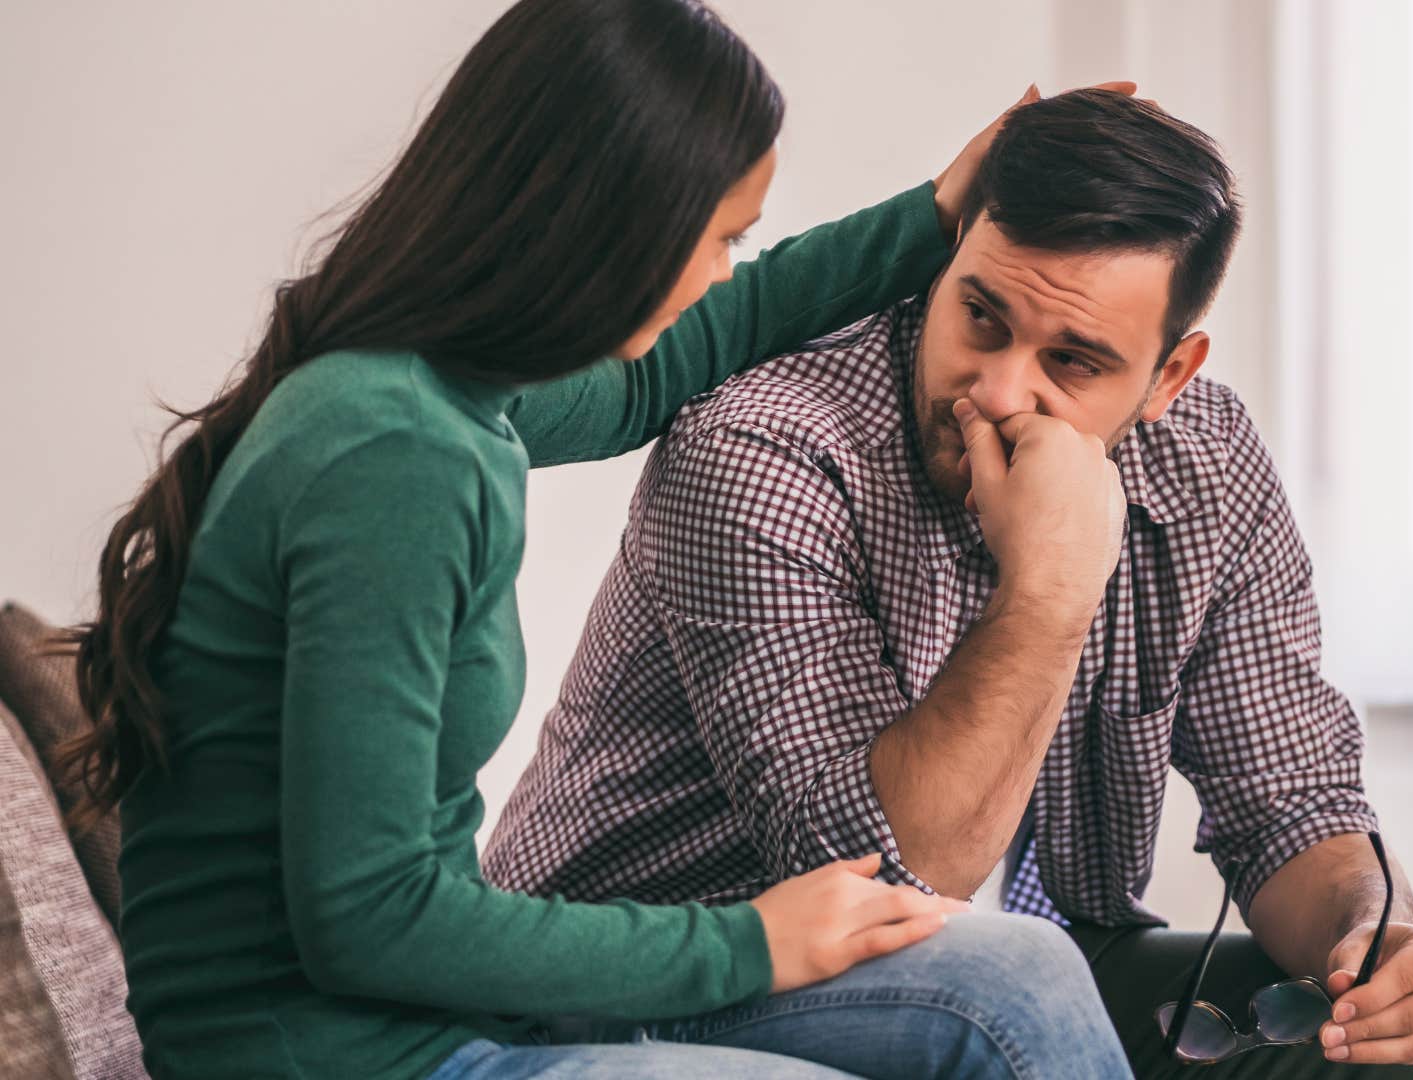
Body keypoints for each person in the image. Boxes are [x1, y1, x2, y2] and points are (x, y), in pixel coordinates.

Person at [57, 1, 1131, 1077]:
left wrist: (932, 215)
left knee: (1020, 978)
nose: (722, 272)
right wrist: (751, 942)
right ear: (610, 226)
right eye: (718, 239)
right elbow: (369, 916)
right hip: (331, 1059)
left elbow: (665, 367)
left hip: (420, 1023)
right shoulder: (392, 450)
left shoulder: (443, 390)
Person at [483, 90, 1413, 1077]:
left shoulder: (1205, 460)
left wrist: (1373, 937)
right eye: (981, 317)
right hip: (650, 985)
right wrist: (1050, 588)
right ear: (951, 257)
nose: (998, 392)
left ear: (1169, 376)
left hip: (979, 963)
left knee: (1379, 1042)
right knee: (1017, 983)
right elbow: (889, 877)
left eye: (1073, 361)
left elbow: (1288, 800)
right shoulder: (765, 446)